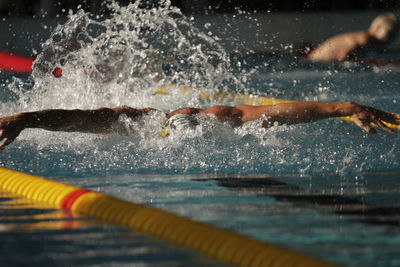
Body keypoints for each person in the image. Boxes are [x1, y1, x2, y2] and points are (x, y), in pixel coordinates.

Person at [0, 101, 399, 150]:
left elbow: (84, 120)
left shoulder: (217, 118)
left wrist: (344, 106)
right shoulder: (153, 121)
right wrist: (342, 107)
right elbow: (83, 120)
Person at [306, 13, 399, 62]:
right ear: (378, 28)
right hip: (316, 63)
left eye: (396, 34)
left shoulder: (365, 38)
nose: (393, 37)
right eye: (390, 33)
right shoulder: (364, 39)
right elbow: (342, 57)